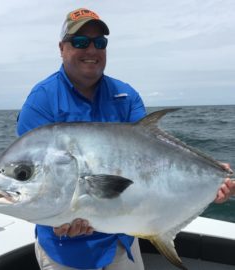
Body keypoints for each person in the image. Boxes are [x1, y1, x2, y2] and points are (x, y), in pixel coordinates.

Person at [17, 7, 235, 270]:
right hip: (65, 251)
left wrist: (211, 180)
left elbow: (152, 162)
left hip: (122, 239)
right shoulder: (41, 102)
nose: (91, 50)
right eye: (80, 42)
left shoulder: (125, 95)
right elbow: (39, 184)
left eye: (100, 43)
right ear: (62, 48)